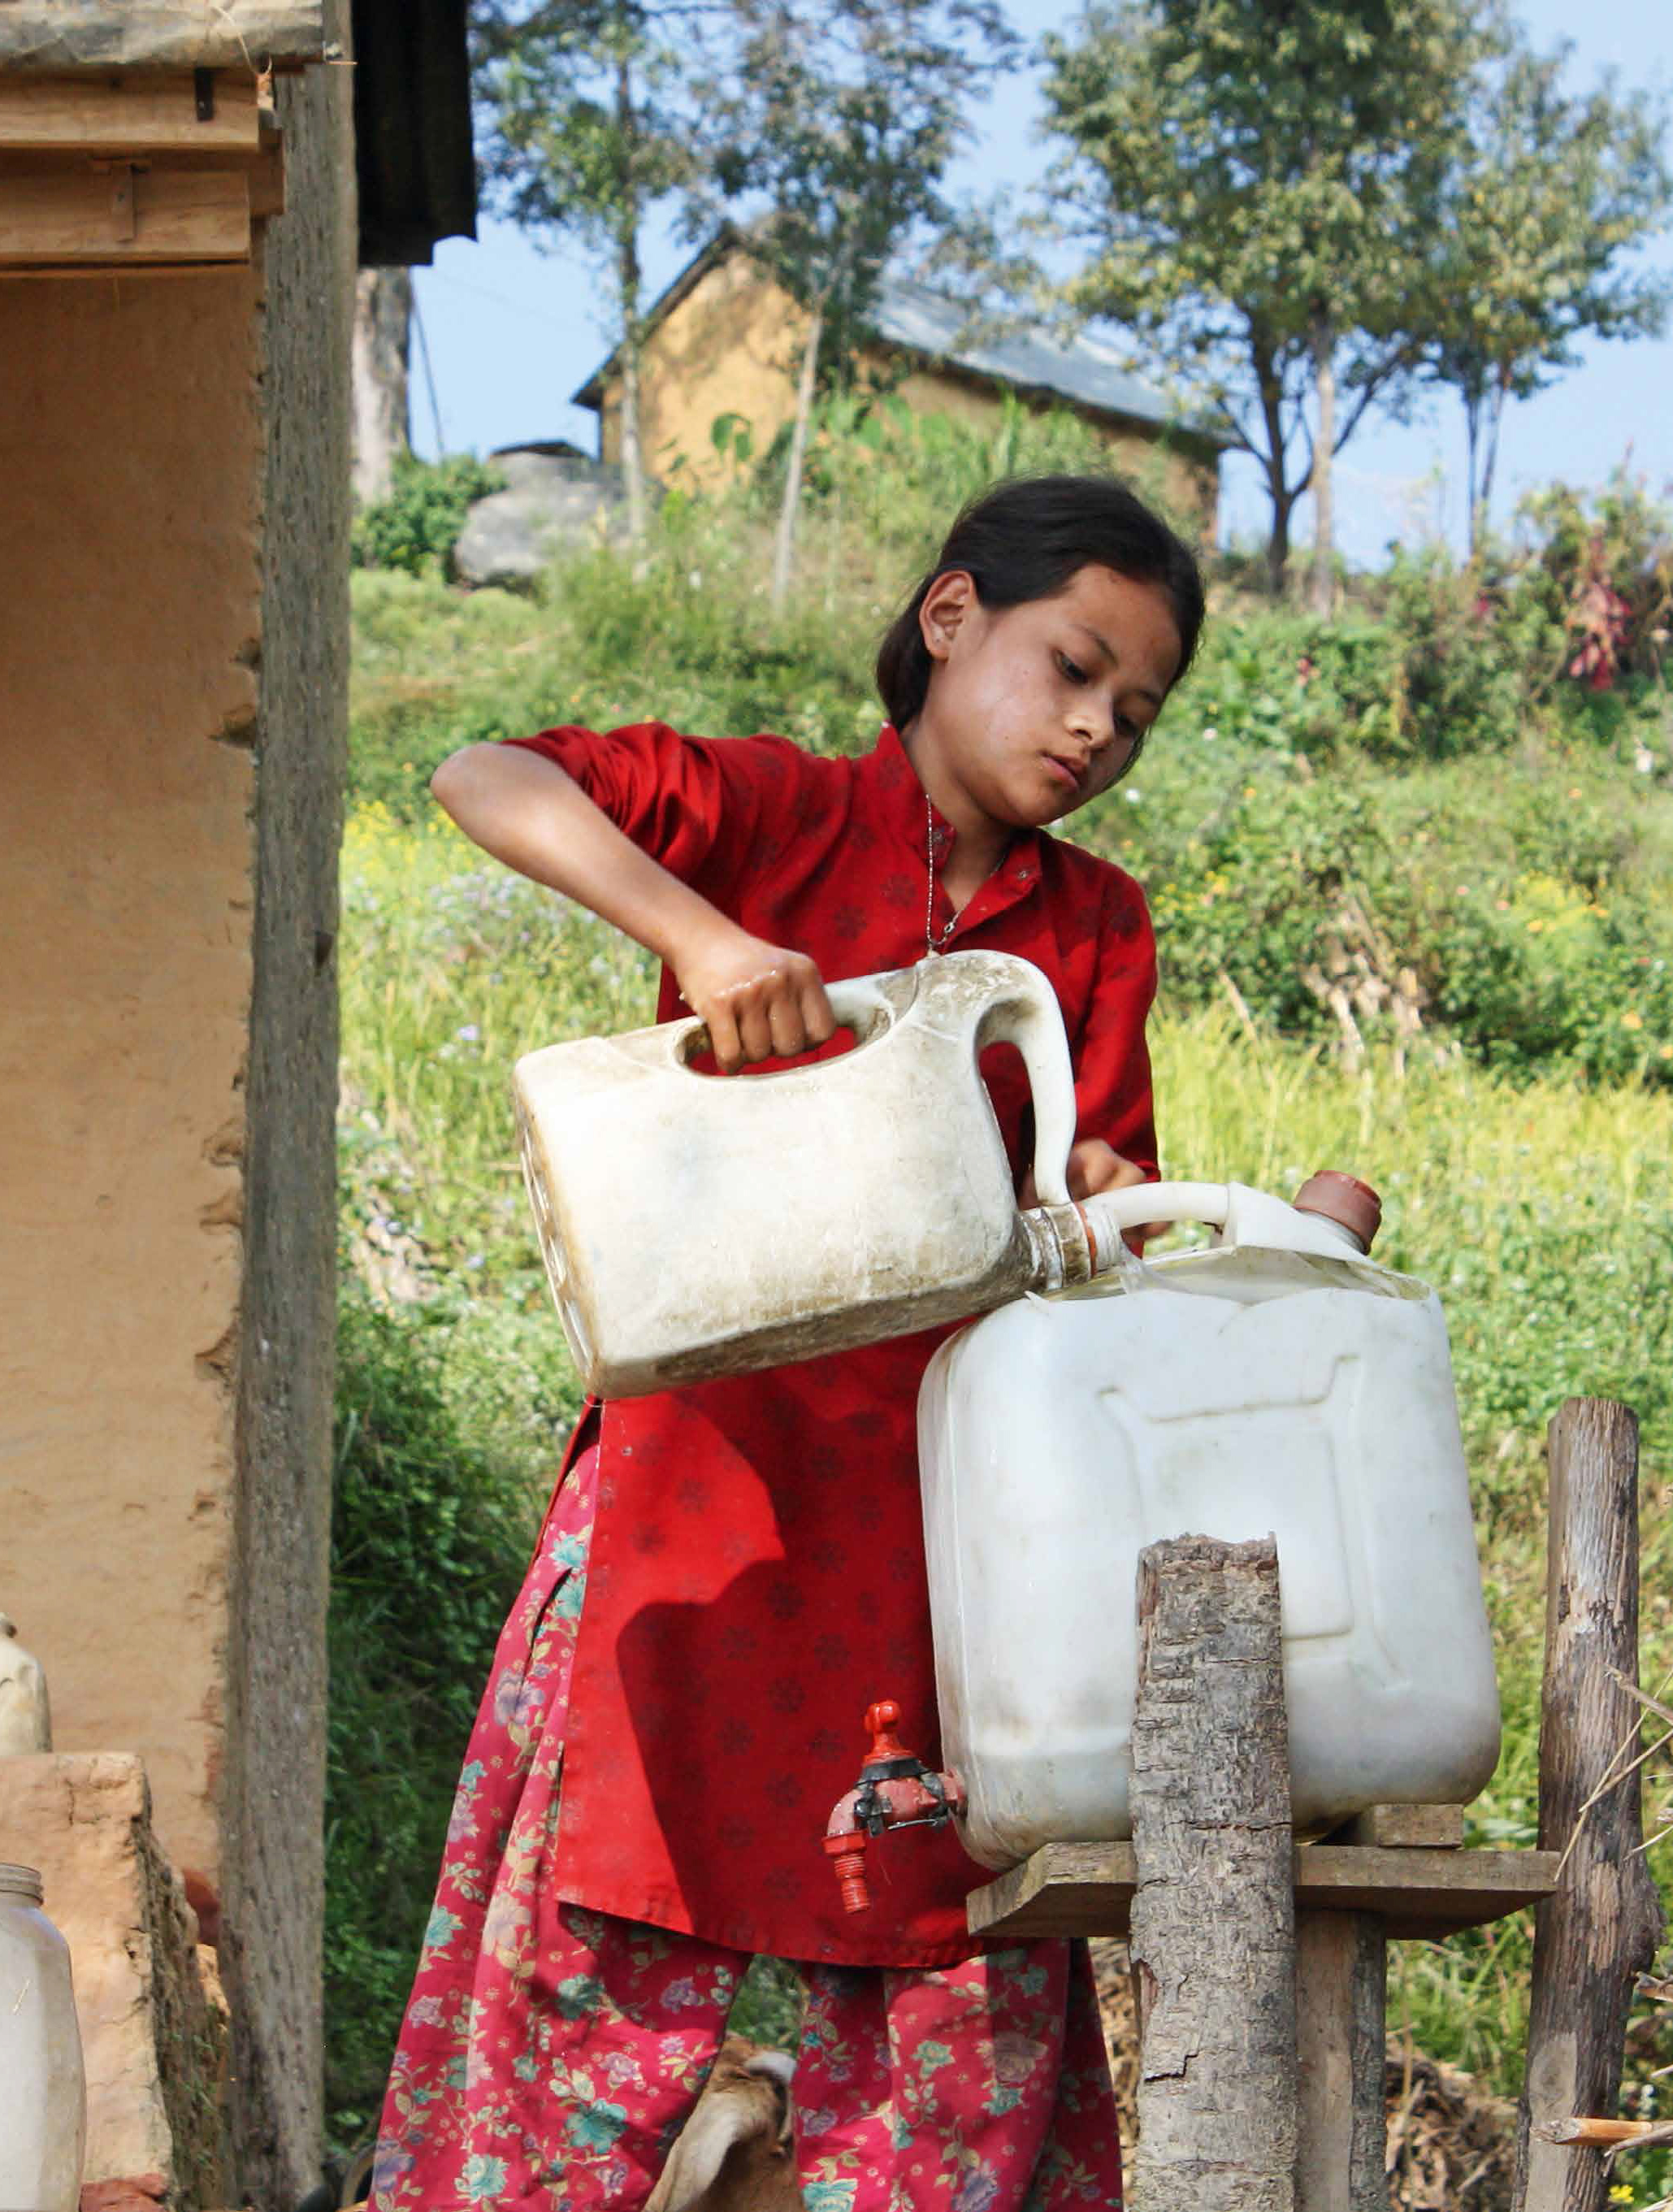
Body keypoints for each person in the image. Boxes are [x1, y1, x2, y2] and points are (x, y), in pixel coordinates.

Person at [373, 475, 1207, 2212]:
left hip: (949, 1565)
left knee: (943, 2022)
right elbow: (484, 775)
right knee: (584, 1987)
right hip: (697, 1525)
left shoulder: (1095, 927)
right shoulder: (771, 810)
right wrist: (698, 932)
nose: (1095, 727)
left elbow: (1086, 1197)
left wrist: (1120, 1191)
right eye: (1071, 665)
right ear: (951, 614)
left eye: (1136, 708)